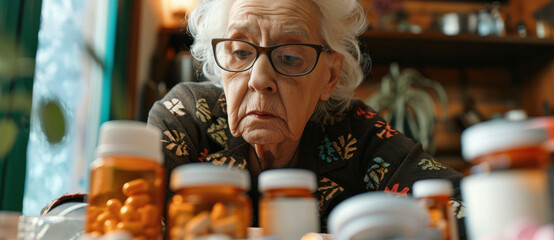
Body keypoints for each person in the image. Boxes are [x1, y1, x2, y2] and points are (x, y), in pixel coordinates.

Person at [147, 0, 466, 237]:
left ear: (330, 76)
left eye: (289, 57)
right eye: (241, 53)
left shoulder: (356, 134)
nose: (259, 79)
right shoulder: (186, 118)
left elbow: (459, 207)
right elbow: (137, 223)